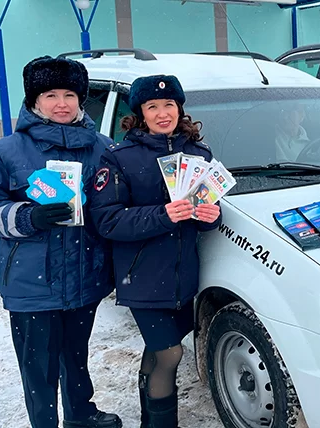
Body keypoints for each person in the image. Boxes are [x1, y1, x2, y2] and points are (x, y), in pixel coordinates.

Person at [0, 56, 122, 428]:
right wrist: (26, 216)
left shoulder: (102, 147)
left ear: (82, 100)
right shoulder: (6, 150)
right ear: (34, 101)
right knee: (38, 366)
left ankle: (81, 415)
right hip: (32, 283)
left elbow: (120, 197)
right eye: (50, 94)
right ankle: (45, 423)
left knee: (75, 355)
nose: (61, 103)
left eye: (70, 94)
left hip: (85, 275)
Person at [89, 74, 221, 428]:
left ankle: (151, 414)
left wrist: (210, 215)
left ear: (179, 107)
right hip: (143, 274)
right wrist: (161, 215)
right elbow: (108, 221)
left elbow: (204, 216)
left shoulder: (199, 153)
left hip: (185, 275)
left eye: (169, 105)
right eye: (153, 106)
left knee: (161, 349)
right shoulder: (119, 157)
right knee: (170, 352)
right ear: (140, 113)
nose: (163, 113)